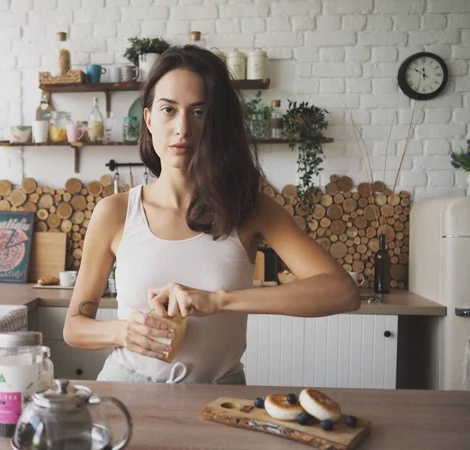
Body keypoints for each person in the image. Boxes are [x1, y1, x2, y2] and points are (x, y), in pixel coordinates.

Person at [63, 45, 360, 384]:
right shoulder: (115, 212)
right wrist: (122, 332)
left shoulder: (250, 209)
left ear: (216, 122)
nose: (182, 128)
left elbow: (343, 292)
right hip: (126, 390)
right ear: (148, 118)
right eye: (168, 110)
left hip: (221, 397)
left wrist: (220, 300)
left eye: (199, 112)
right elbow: (74, 327)